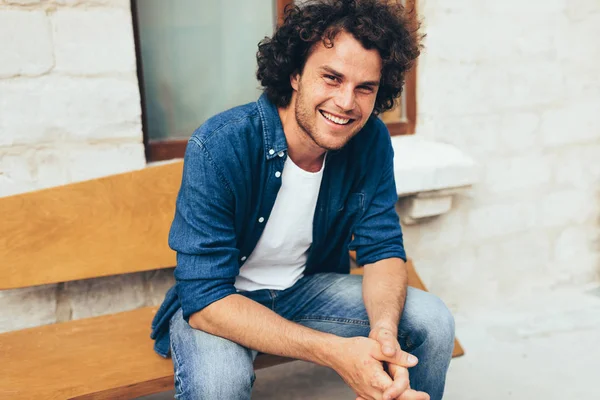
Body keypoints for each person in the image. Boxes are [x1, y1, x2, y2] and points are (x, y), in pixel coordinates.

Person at [150, 1, 455, 399]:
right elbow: (205, 299)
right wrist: (336, 353)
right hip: (227, 303)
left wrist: (383, 334)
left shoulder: (370, 140)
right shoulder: (221, 144)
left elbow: (381, 250)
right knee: (218, 384)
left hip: (303, 290)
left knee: (432, 321)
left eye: (365, 87)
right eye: (331, 78)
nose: (347, 102)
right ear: (295, 74)